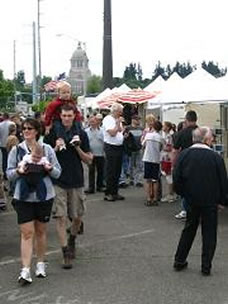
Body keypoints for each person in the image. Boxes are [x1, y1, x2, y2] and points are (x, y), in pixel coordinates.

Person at [7, 118, 61, 285]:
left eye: (30, 128)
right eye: (23, 128)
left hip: (43, 196)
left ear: (37, 131)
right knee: (27, 232)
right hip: (22, 197)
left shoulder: (47, 149)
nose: (26, 131)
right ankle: (25, 270)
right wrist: (18, 170)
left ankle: (40, 263)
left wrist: (49, 168)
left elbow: (58, 173)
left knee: (40, 231)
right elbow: (8, 174)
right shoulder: (16, 150)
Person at [173, 126, 228, 276]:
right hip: (210, 200)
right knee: (209, 232)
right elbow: (223, 180)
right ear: (206, 140)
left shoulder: (184, 155)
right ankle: (206, 266)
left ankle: (179, 260)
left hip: (191, 198)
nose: (212, 140)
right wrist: (223, 200)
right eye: (210, 138)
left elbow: (176, 177)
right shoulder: (216, 157)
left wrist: (183, 193)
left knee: (189, 229)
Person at [44, 104, 93, 269]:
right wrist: (55, 148)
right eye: (64, 115)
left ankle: (72, 239)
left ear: (74, 116)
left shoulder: (82, 134)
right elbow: (43, 159)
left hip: (76, 180)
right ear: (60, 116)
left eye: (69, 116)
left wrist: (77, 147)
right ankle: (65, 252)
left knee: (78, 216)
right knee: (61, 217)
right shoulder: (51, 134)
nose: (66, 118)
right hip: (58, 181)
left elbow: (89, 160)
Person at [173, 111, 198, 219]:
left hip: (185, 163)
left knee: (186, 187)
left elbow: (175, 150)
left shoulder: (181, 133)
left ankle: (185, 210)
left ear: (186, 120)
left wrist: (174, 164)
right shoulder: (201, 132)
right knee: (198, 186)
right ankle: (198, 209)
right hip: (200, 162)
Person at [102, 103, 125, 202]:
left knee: (117, 170)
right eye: (120, 112)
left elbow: (120, 130)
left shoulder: (117, 119)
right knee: (111, 170)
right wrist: (117, 123)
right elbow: (112, 133)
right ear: (115, 111)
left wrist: (120, 125)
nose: (121, 114)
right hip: (111, 146)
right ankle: (109, 192)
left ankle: (115, 191)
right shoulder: (108, 119)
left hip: (119, 146)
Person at [142, 119, 163, 206]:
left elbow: (143, 145)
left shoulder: (148, 135)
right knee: (155, 180)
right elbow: (161, 147)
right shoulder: (160, 138)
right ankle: (154, 198)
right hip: (156, 159)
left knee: (148, 180)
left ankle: (148, 198)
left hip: (147, 158)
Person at [85, 115, 105, 194]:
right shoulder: (86, 131)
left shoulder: (102, 130)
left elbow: (105, 141)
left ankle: (100, 186)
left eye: (93, 121)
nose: (92, 123)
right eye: (91, 121)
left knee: (101, 171)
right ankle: (91, 188)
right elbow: (85, 143)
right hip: (91, 154)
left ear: (97, 122)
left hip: (101, 153)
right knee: (91, 171)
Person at [128, 115, 143, 187]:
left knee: (139, 165)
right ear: (133, 120)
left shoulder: (141, 128)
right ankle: (132, 179)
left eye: (139, 120)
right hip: (131, 149)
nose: (138, 121)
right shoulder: (128, 128)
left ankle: (138, 180)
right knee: (131, 165)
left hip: (139, 148)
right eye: (137, 120)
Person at [0, 113, 15, 179]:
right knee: (11, 158)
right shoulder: (12, 124)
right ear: (8, 117)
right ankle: (10, 172)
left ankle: (5, 173)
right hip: (11, 144)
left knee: (4, 159)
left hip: (2, 144)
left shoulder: (0, 125)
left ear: (3, 117)